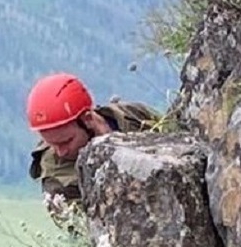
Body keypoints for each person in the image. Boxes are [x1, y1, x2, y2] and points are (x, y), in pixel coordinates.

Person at [27, 72, 160, 216]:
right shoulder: (56, 177)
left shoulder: (133, 116)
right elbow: (82, 227)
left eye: (66, 141)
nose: (61, 152)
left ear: (88, 119)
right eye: (52, 144)